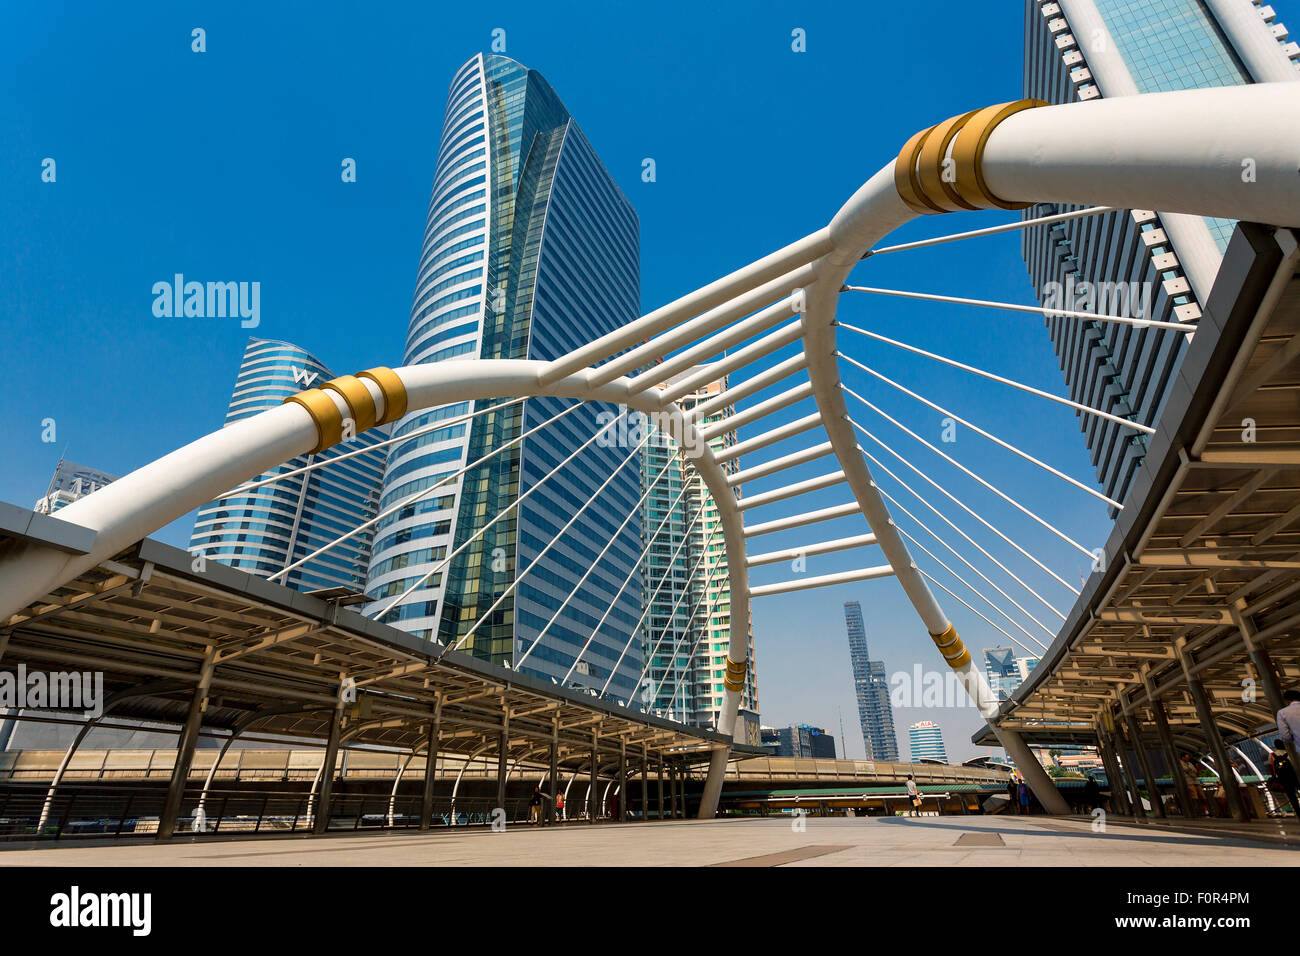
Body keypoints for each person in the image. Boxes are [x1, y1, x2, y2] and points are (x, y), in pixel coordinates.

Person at [1270, 739, 1298, 817]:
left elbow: (1271, 768)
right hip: (1294, 776)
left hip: (1283, 779)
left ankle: (1298, 812)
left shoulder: (1272, 755)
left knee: (1292, 797)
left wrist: (1274, 777)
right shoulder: (1289, 752)